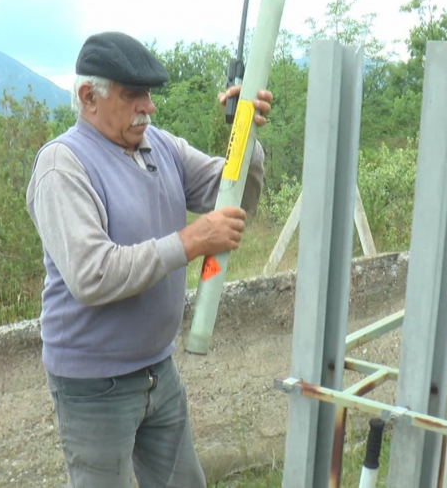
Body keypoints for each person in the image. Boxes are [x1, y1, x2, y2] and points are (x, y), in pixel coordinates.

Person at [25, 31, 273, 488]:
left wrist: (246, 133)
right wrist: (192, 240)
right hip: (94, 386)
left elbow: (234, 196)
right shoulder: (63, 165)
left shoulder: (160, 145)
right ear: (88, 97)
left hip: (158, 369)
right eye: (132, 94)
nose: (149, 106)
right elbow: (92, 275)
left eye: (149, 94)